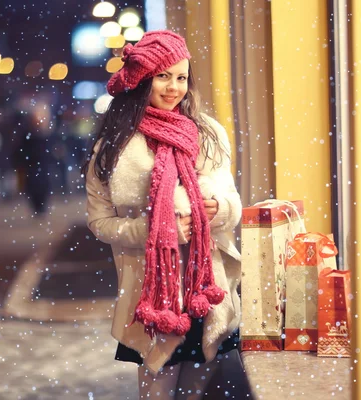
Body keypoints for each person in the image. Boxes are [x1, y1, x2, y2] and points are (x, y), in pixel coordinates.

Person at [83, 30, 242, 399]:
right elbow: (100, 222)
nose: (174, 88)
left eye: (182, 77)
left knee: (199, 387)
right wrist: (155, 230)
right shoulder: (115, 147)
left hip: (207, 287)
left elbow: (232, 201)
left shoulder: (208, 134)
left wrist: (217, 210)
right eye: (163, 76)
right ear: (141, 80)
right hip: (153, 294)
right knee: (157, 388)